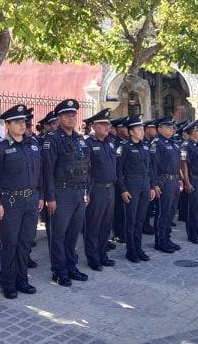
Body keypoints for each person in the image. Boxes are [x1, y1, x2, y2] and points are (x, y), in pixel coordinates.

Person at [0, 104, 43, 299]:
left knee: (25, 242)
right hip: (9, 201)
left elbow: (39, 172)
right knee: (10, 243)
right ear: (7, 124)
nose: (22, 125)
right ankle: (8, 283)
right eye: (17, 122)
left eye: (23, 121)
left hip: (31, 199)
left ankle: (22, 279)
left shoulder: (33, 144)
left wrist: (41, 195)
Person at [42, 99, 90, 287]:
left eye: (73, 115)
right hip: (61, 193)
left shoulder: (79, 138)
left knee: (73, 233)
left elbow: (86, 166)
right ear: (59, 118)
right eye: (67, 115)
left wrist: (86, 191)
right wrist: (50, 197)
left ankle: (72, 266)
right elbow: (47, 171)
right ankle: (59, 271)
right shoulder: (52, 140)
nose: (71, 118)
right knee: (59, 234)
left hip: (79, 193)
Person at [116, 115, 156, 262]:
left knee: (140, 219)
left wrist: (152, 186)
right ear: (131, 132)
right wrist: (123, 190)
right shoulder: (125, 147)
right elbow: (118, 171)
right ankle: (130, 250)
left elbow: (150, 168)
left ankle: (138, 247)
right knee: (131, 219)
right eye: (139, 129)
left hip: (145, 185)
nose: (142, 131)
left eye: (142, 129)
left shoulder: (145, 145)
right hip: (131, 185)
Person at [83, 108, 117, 271]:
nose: (106, 127)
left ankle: (103, 254)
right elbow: (86, 170)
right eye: (103, 124)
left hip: (110, 189)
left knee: (106, 225)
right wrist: (86, 192)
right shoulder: (88, 143)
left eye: (107, 124)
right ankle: (93, 257)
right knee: (93, 225)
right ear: (94, 126)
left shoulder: (110, 142)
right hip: (96, 190)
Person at [150, 117, 181, 253]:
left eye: (172, 127)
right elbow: (153, 166)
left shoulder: (173, 143)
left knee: (170, 212)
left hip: (174, 181)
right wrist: (155, 184)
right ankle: (160, 241)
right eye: (168, 127)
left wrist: (179, 179)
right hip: (164, 182)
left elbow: (177, 164)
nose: (171, 129)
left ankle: (167, 238)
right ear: (159, 129)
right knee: (163, 212)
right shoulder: (157, 144)